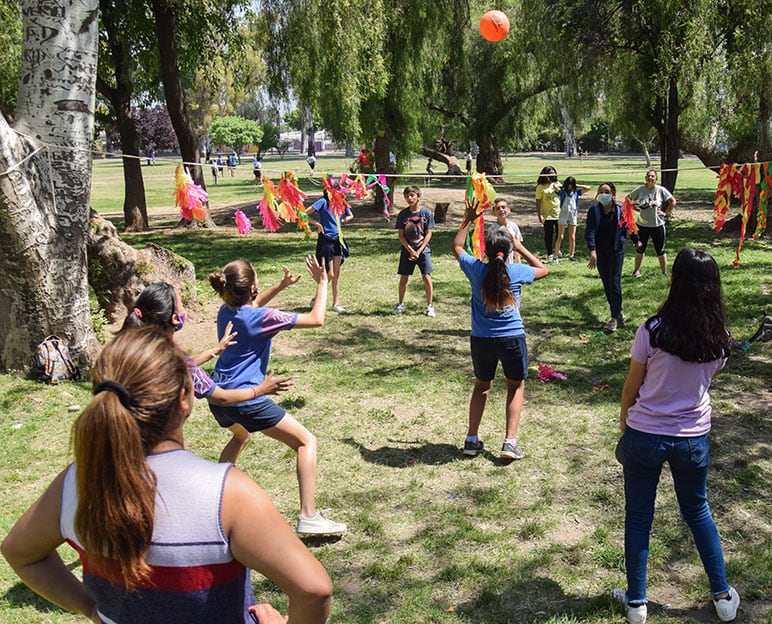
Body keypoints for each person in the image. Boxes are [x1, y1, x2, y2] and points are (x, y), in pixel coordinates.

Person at [0, 327, 332, 624]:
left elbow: (20, 552)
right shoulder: (227, 494)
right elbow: (313, 590)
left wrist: (92, 609)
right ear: (185, 399)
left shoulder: (75, 483)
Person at [614, 248, 739, 624]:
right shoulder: (721, 339)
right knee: (698, 511)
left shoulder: (652, 331)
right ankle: (721, 593)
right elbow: (706, 382)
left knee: (638, 516)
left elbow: (630, 389)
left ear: (675, 282)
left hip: (645, 434)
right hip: (692, 439)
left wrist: (625, 425)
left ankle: (637, 602)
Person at [208, 256, 347, 536]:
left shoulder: (226, 310)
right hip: (247, 399)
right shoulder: (263, 318)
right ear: (253, 288)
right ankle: (308, 515)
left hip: (219, 398)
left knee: (241, 436)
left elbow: (252, 304)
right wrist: (322, 283)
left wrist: (281, 286)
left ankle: (213, 504)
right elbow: (316, 319)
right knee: (306, 442)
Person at [453, 207, 548, 460]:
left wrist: (468, 220)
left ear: (485, 251)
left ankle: (471, 440)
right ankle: (509, 442)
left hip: (481, 339)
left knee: (482, 386)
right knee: (515, 386)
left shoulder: (476, 270)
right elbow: (543, 269)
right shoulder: (516, 272)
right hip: (512, 338)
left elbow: (458, 247)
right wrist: (520, 247)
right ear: (508, 252)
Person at [121, 282, 295, 406]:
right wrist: (260, 390)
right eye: (182, 305)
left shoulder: (130, 349)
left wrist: (215, 350)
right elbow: (221, 398)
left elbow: (183, 365)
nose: (184, 311)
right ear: (174, 318)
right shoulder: (169, 356)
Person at [585, 182, 629, 332]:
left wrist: (637, 241)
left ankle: (614, 318)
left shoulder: (620, 210)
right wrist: (592, 251)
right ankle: (617, 312)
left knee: (614, 282)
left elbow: (628, 226)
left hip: (616, 251)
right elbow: (589, 232)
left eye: (607, 191)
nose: (604, 194)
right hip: (601, 253)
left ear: (613, 194)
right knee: (607, 283)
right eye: (601, 191)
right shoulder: (594, 211)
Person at [306, 189, 354, 313]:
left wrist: (341, 222)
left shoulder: (341, 202)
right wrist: (318, 224)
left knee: (336, 273)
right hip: (325, 240)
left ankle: (336, 303)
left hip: (338, 240)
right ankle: (316, 299)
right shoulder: (322, 202)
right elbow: (304, 214)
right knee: (330, 274)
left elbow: (350, 215)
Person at [393, 185, 435, 317]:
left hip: (423, 251)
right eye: (407, 196)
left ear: (418, 197)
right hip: (407, 251)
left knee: (426, 277)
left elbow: (428, 234)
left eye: (412, 195)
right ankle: (400, 304)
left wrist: (419, 250)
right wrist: (410, 250)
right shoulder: (403, 215)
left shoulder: (426, 213)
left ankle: (429, 305)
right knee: (403, 279)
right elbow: (401, 235)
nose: (409, 198)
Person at [626, 170, 676, 277]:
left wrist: (665, 213)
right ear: (645, 178)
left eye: (653, 176)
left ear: (656, 179)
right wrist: (634, 209)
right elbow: (628, 199)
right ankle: (636, 271)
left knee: (660, 250)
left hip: (657, 225)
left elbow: (672, 201)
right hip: (642, 225)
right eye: (648, 176)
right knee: (640, 248)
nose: (650, 178)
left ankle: (664, 272)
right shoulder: (640, 189)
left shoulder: (660, 190)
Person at [554, 176, 591, 262]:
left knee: (572, 237)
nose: (570, 187)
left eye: (571, 185)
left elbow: (588, 188)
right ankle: (555, 255)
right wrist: (562, 186)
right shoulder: (562, 192)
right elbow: (554, 186)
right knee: (560, 236)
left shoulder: (576, 192)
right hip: (563, 214)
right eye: (569, 185)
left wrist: (577, 185)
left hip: (573, 215)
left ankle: (571, 255)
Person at [535, 165, 561, 260]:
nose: (553, 175)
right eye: (550, 173)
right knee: (549, 234)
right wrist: (540, 215)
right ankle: (549, 252)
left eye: (554, 173)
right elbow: (538, 202)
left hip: (559, 213)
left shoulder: (557, 184)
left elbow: (563, 195)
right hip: (547, 215)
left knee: (560, 234)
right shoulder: (540, 187)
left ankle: (557, 250)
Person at [487, 197, 523, 263]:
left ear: (508, 210)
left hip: (510, 263)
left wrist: (518, 263)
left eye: (503, 207)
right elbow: (490, 248)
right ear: (494, 212)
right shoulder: (492, 228)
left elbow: (518, 247)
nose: (501, 210)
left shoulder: (513, 226)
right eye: (498, 208)